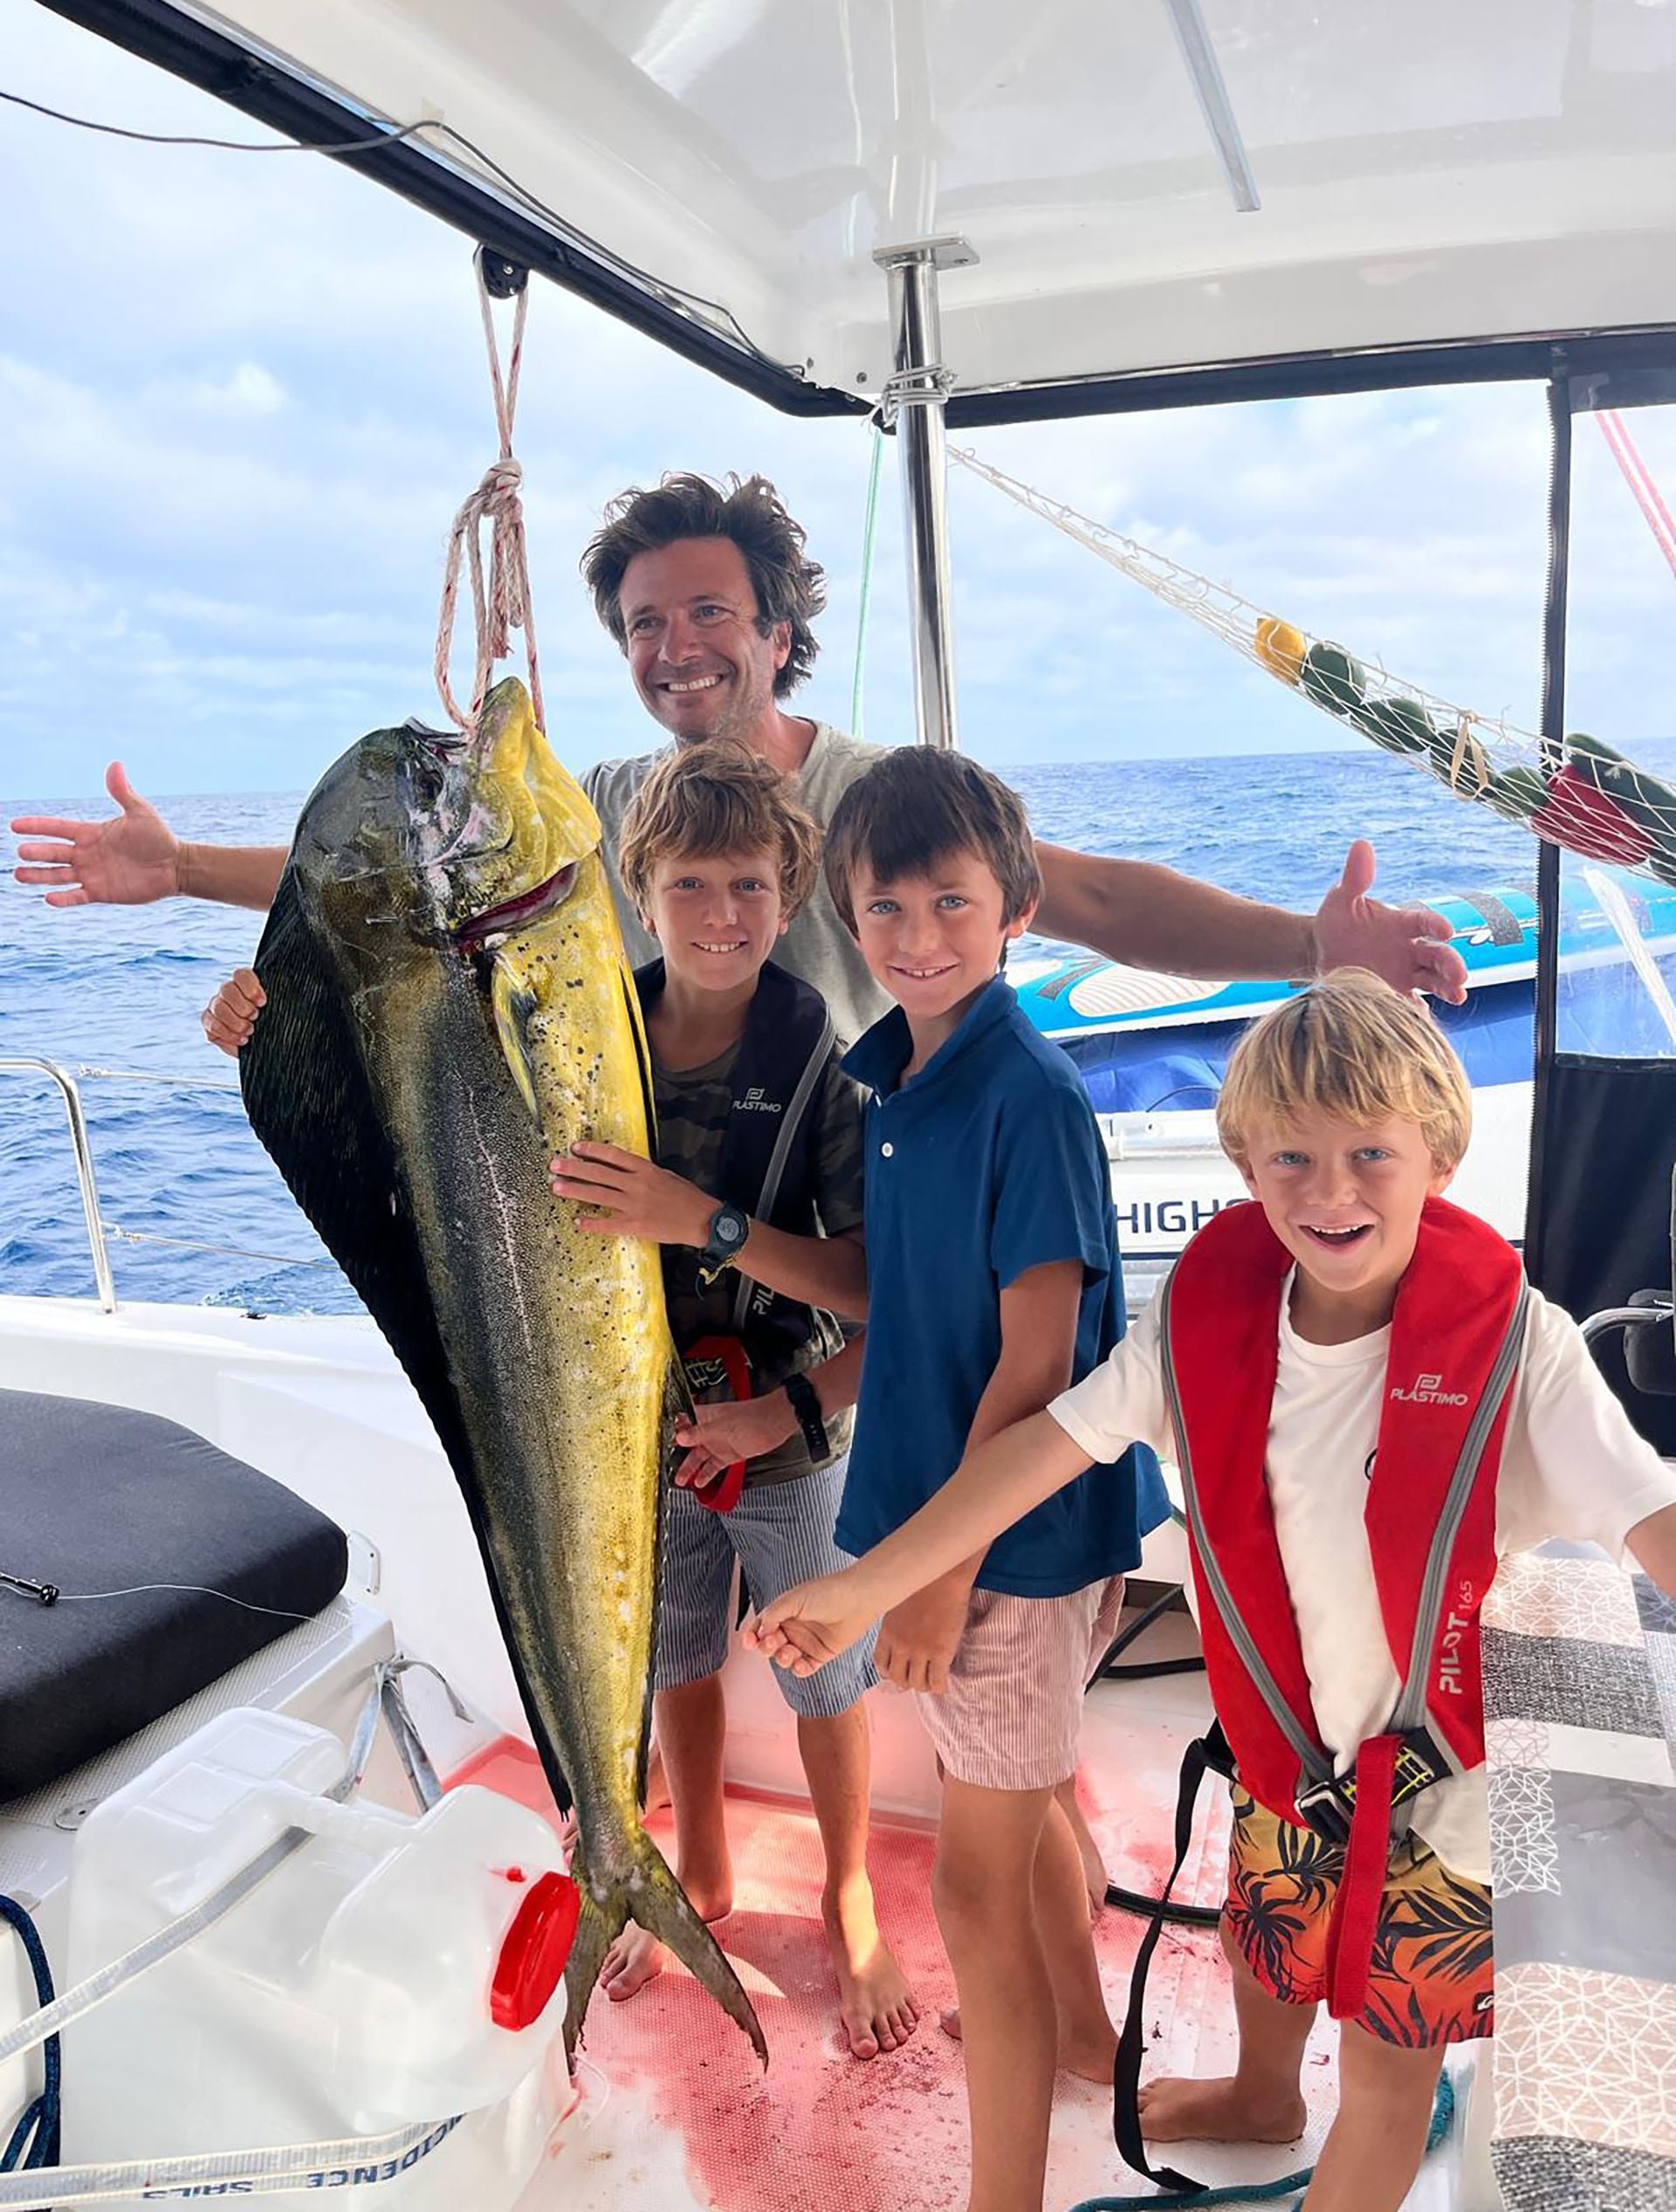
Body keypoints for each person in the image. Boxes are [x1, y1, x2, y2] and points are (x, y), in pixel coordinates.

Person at [750, 970, 1676, 2212]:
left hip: (1438, 1797)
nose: (1328, 1192)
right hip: (1285, 1753)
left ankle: (1307, 2116)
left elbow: (1652, 1519)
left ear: (1441, 1154)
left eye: (1368, 1155)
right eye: (1289, 1159)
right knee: (1268, 1944)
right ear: (1241, 1163)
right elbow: (1044, 1446)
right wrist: (869, 1586)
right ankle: (1260, 2098)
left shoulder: (1525, 1353)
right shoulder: (1205, 1317)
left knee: (1392, 2076)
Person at [9, 472, 1471, 1059]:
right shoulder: (604, 806)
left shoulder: (884, 789)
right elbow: (402, 888)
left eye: (710, 612)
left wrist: (1310, 948)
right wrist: (181, 867)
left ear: (778, 632)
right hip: (673, 1218)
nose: (677, 646)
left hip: (849, 1221)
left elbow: (1083, 894)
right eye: (647, 623)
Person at [805, 742, 1171, 2212]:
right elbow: (890, 1287)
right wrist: (703, 1226)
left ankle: (1002, 2189)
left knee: (970, 1889)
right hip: (964, 1536)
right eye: (884, 911)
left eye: (951, 903)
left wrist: (935, 1578)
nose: (919, 939)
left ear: (1015, 903)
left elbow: (1035, 1370)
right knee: (1025, 1816)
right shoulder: (901, 1074)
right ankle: (1082, 2038)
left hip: (1007, 1548)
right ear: (847, 915)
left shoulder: (1027, 1091)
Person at [540, 738, 916, 2060]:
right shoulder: (600, 1033)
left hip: (789, 1423)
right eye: (692, 886)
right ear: (636, 890)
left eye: (752, 889)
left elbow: (873, 1286)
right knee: (680, 1658)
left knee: (823, 1670)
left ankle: (849, 1891)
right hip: (638, 1429)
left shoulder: (821, 1054)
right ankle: (696, 1867)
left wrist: (699, 1222)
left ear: (790, 892)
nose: (722, 918)